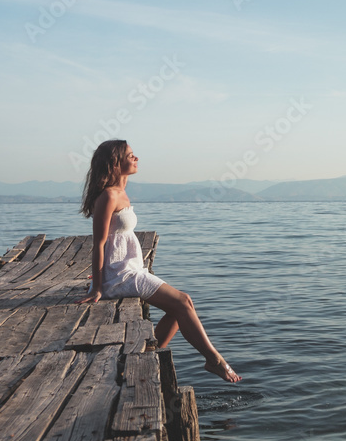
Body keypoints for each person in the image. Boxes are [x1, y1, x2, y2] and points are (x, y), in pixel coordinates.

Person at [76, 139, 240, 383]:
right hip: (119, 276)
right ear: (114, 162)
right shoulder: (109, 196)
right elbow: (98, 243)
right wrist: (98, 286)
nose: (136, 158)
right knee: (182, 302)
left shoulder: (121, 193)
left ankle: (147, 354)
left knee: (180, 308)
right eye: (130, 155)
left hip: (130, 268)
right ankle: (213, 359)